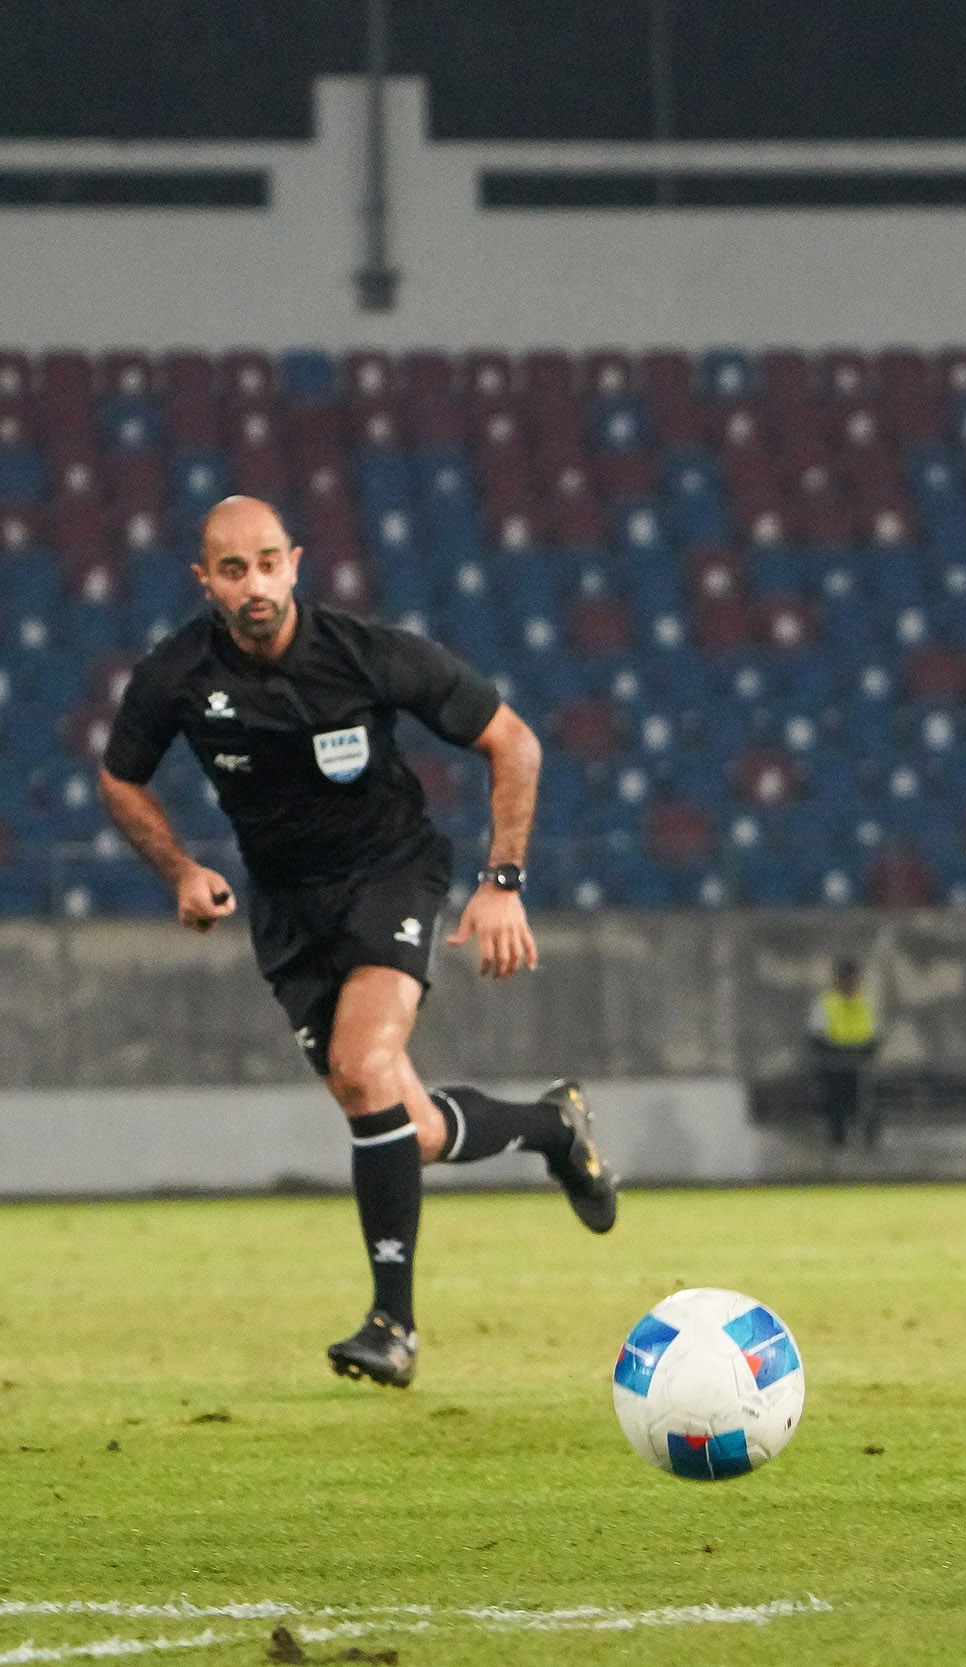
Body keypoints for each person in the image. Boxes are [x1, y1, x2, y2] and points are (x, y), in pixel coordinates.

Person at [95, 496, 616, 1390]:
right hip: (289, 910)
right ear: (204, 580)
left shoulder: (369, 654)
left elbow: (514, 743)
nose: (254, 584)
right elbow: (119, 778)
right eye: (232, 569)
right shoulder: (177, 675)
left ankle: (393, 1325)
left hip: (390, 875)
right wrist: (180, 869)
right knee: (400, 1125)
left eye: (268, 562)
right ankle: (551, 1126)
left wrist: (503, 883)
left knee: (366, 1062)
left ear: (296, 562)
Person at [811, 958, 881, 1146]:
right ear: (838, 980)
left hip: (858, 1066)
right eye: (846, 978)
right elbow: (817, 1036)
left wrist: (863, 1050)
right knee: (837, 1107)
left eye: (853, 978)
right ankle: (838, 1143)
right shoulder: (826, 1003)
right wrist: (838, 1049)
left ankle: (867, 1145)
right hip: (834, 1065)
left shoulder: (865, 1003)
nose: (850, 982)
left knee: (866, 1105)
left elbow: (873, 1035)